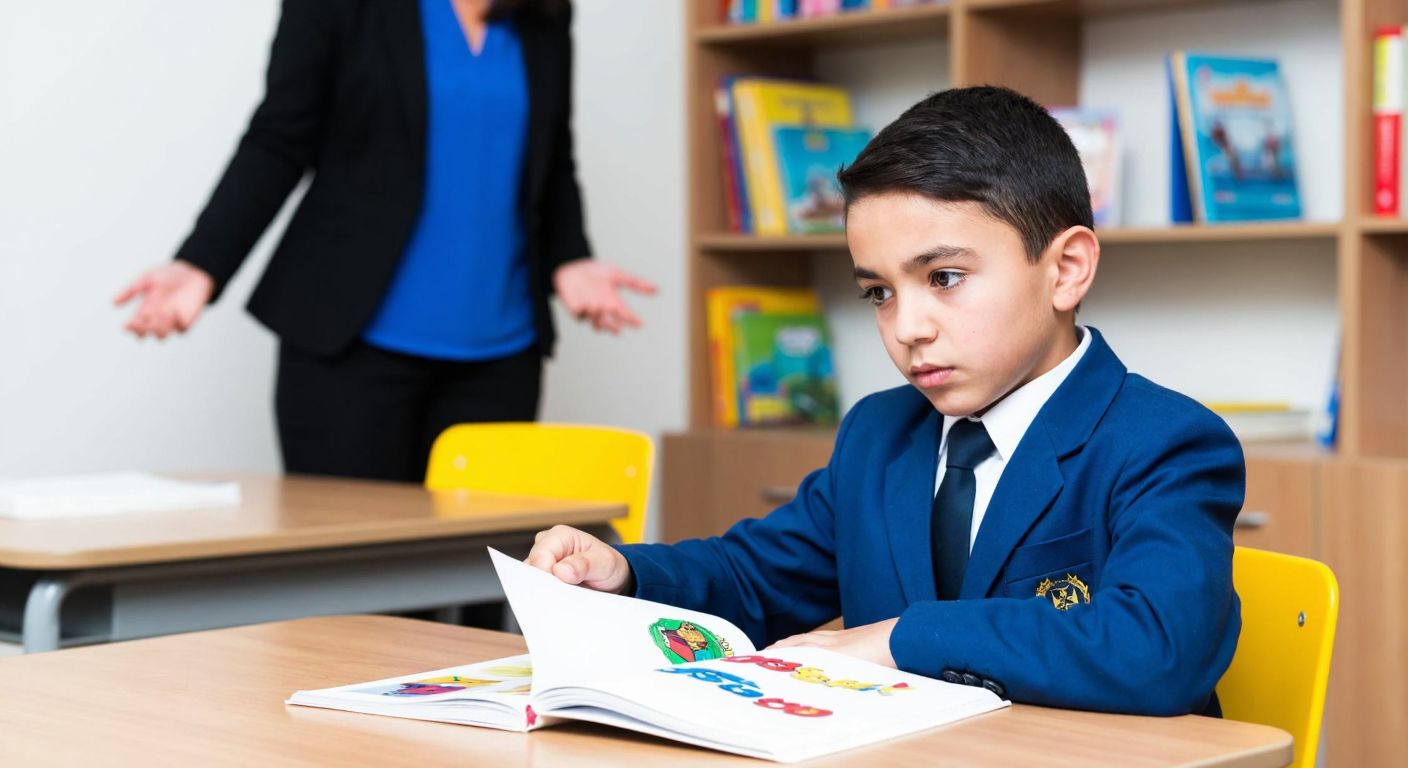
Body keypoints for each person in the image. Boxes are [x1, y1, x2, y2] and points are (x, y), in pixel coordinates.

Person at [524, 86, 1245, 717]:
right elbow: (757, 575)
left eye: (946, 277)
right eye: (879, 292)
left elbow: (1159, 646)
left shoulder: (1166, 440)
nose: (907, 328)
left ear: (1066, 269)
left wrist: (897, 641)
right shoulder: (880, 432)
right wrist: (626, 573)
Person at [113, 0, 654, 482]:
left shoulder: (544, 15)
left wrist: (570, 257)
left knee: (484, 582)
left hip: (500, 358)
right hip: (348, 353)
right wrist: (200, 263)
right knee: (354, 580)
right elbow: (278, 139)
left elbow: (551, 157)